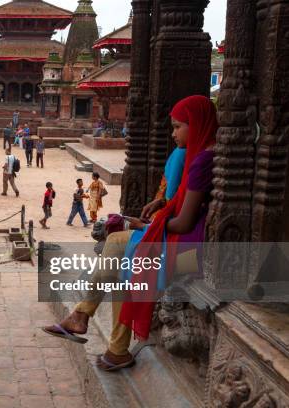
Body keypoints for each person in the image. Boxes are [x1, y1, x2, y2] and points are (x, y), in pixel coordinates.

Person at [43, 95, 217, 372]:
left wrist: (143, 227)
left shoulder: (200, 161)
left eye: (177, 127)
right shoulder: (201, 154)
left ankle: (86, 318)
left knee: (117, 248)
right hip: (186, 245)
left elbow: (184, 224)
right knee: (121, 259)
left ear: (195, 125)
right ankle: (110, 344)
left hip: (190, 255)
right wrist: (161, 206)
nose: (173, 134)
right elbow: (179, 204)